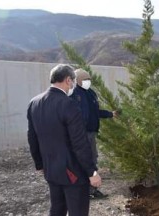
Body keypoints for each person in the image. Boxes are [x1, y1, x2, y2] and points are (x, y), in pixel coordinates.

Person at [27, 64, 102, 216]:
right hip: (72, 172)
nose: (73, 85)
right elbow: (79, 143)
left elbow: (32, 137)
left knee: (57, 209)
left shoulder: (34, 103)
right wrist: (91, 171)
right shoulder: (69, 105)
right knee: (78, 211)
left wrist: (39, 164)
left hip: (51, 169)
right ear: (68, 80)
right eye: (73, 81)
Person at [70, 68, 117, 199]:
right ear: (78, 81)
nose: (87, 81)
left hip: (90, 133)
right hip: (81, 133)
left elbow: (95, 112)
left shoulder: (90, 93)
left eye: (89, 79)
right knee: (83, 160)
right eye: (85, 79)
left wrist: (110, 114)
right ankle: (82, 190)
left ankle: (91, 189)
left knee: (92, 159)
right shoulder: (74, 94)